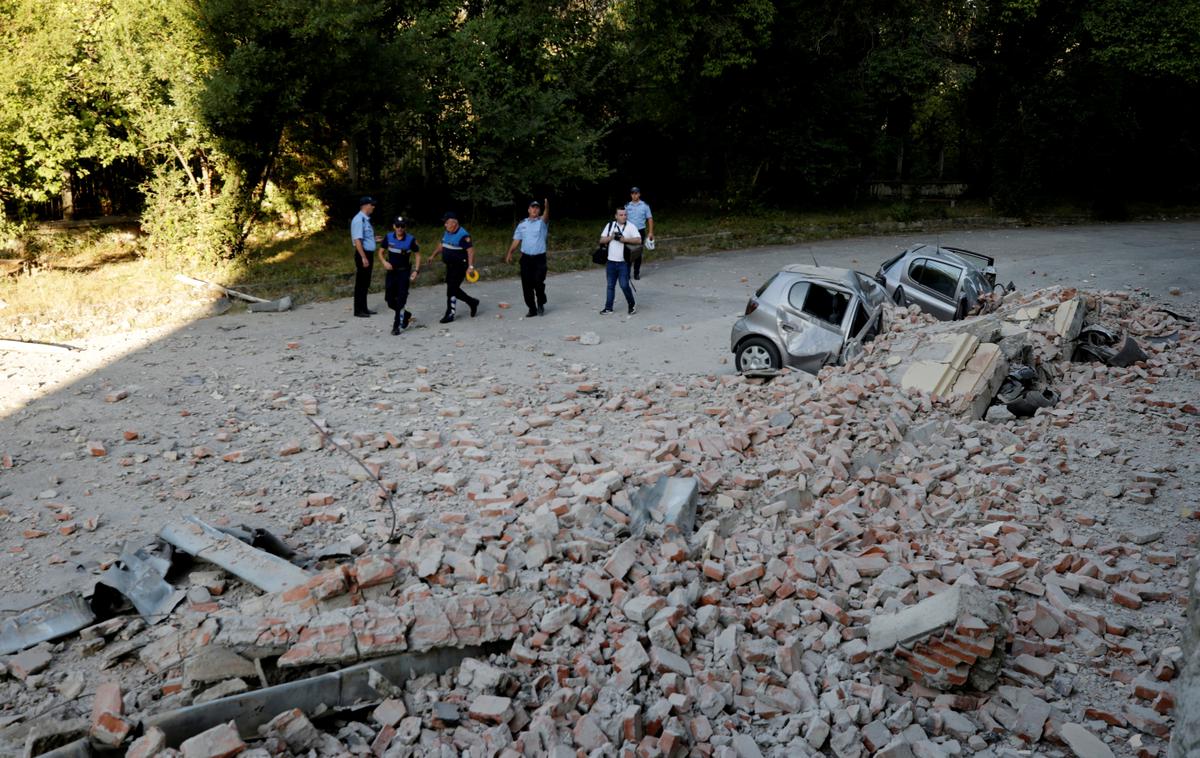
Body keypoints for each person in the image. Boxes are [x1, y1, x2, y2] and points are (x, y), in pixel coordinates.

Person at [431, 212, 480, 323]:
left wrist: (470, 267)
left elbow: (471, 251)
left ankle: (450, 314)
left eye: (447, 222)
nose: (445, 225)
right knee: (452, 288)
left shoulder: (463, 235)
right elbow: (442, 245)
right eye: (445, 223)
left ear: (454, 222)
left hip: (460, 266)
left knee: (452, 289)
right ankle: (472, 302)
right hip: (450, 266)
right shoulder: (447, 232)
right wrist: (433, 255)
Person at [505, 198, 550, 317]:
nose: (535, 209)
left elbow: (546, 215)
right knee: (526, 285)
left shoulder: (542, 223)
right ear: (529, 210)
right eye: (533, 207)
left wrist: (547, 207)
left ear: (539, 210)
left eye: (537, 208)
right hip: (526, 259)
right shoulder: (522, 224)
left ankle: (541, 302)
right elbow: (516, 240)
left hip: (539, 258)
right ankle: (532, 308)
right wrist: (510, 253)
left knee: (538, 282)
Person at [378, 216, 420, 335]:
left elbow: (417, 255)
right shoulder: (388, 237)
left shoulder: (411, 239)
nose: (400, 228)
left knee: (401, 299)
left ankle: (396, 326)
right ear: (394, 226)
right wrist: (384, 262)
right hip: (391, 273)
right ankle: (406, 314)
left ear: (405, 227)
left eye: (402, 226)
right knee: (390, 301)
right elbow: (381, 252)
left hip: (404, 272)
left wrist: (416, 271)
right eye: (397, 226)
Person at [599, 207, 641, 315]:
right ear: (616, 216)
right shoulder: (610, 226)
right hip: (611, 262)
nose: (624, 217)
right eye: (621, 215)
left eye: (625, 215)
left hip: (623, 263)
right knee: (610, 286)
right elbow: (601, 240)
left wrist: (624, 239)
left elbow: (638, 240)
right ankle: (608, 308)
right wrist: (611, 237)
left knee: (624, 285)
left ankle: (631, 305)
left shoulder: (630, 226)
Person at [350, 196, 380, 317]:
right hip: (363, 254)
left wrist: (373, 240)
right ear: (365, 205)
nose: (373, 207)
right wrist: (363, 257)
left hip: (367, 253)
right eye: (371, 204)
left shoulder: (365, 220)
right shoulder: (358, 220)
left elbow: (364, 237)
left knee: (365, 282)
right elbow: (357, 240)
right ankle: (358, 310)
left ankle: (364, 308)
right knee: (361, 283)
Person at [624, 186, 654, 280]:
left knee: (638, 253)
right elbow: (623, 219)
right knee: (628, 252)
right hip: (629, 232)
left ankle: (636, 273)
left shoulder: (645, 205)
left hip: (640, 231)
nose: (634, 195)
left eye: (636, 193)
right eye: (632, 193)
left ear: (639, 194)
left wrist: (650, 232)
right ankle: (627, 273)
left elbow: (650, 219)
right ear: (631, 195)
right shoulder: (627, 206)